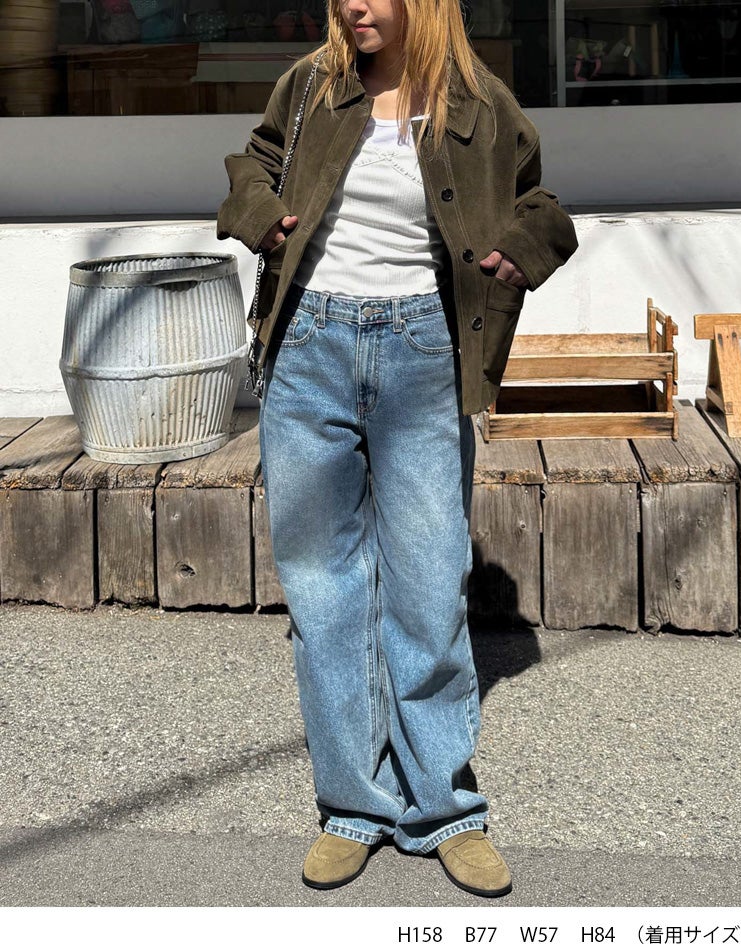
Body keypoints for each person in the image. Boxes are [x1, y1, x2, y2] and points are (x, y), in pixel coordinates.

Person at [217, 0, 578, 898]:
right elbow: (254, 161)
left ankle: (444, 808)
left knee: (427, 582)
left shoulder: (477, 102)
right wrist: (260, 216)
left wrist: (521, 251)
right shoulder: (312, 84)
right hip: (309, 345)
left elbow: (537, 201)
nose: (354, 5)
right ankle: (352, 805)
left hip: (423, 350)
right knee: (324, 588)